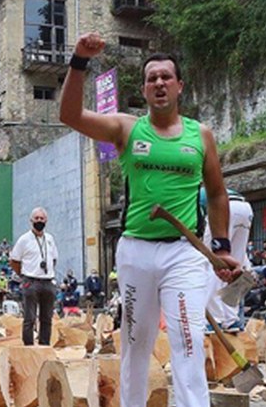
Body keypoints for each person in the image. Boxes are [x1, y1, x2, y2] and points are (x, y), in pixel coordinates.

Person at [59, 32, 239, 407]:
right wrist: (79, 61)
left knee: (188, 339)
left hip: (184, 254)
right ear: (143, 89)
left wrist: (220, 246)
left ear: (179, 86)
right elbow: (70, 115)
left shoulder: (200, 135)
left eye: (166, 77)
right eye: (151, 78)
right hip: (136, 253)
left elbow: (218, 192)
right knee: (136, 346)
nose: (159, 83)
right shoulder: (126, 129)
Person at [202, 188, 253, 332]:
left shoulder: (192, 194)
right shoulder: (208, 188)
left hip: (223, 209)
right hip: (245, 208)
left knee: (212, 262)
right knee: (237, 262)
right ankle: (232, 320)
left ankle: (214, 320)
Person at [9, 207, 58, 346]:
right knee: (29, 318)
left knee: (47, 318)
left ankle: (44, 346)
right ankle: (29, 348)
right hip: (31, 281)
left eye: (42, 218)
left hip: (48, 281)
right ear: (31, 220)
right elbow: (14, 261)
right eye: (36, 218)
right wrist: (23, 274)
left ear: (46, 220)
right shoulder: (24, 239)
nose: (39, 221)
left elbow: (54, 258)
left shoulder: (50, 239)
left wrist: (49, 272)